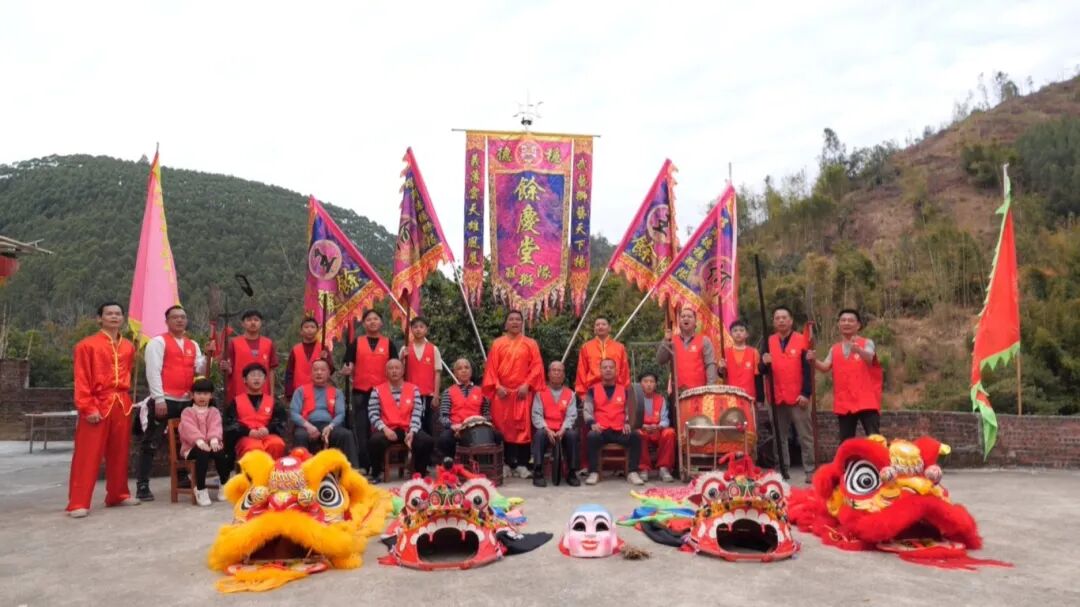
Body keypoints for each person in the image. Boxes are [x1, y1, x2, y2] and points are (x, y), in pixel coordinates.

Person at [67, 302, 141, 517]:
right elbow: (81, 379)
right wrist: (87, 406)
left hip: (122, 403)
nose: (114, 317)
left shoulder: (128, 346)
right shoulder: (86, 345)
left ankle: (118, 494)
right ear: (99, 318)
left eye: (118, 314)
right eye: (109, 314)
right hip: (97, 402)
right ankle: (78, 502)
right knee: (87, 454)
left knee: (120, 453)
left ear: (123, 318)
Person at [136, 304, 207, 501]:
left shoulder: (193, 344)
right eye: (175, 317)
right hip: (165, 399)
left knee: (184, 440)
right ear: (166, 321)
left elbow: (199, 370)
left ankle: (182, 477)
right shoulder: (158, 342)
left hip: (186, 400)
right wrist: (159, 398)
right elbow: (153, 372)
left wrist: (208, 357)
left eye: (183, 317)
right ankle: (142, 484)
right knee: (151, 441)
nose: (179, 320)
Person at [482, 310, 545, 479]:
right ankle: (506, 464)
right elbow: (491, 368)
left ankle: (522, 464)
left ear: (522, 323)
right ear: (506, 323)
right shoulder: (497, 344)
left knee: (523, 428)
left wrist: (527, 384)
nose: (515, 322)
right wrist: (497, 386)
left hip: (522, 394)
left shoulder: (531, 343)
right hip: (502, 394)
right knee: (502, 427)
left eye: (518, 319)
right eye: (511, 319)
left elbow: (537, 367)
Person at [342, 309, 400, 475]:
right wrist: (347, 369)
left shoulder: (388, 343)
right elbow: (348, 364)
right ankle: (364, 465)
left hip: (383, 393)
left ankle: (379, 465)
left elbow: (395, 366)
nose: (372, 322)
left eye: (375, 319)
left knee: (381, 429)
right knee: (362, 429)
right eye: (368, 319)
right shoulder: (356, 343)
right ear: (364, 323)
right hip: (361, 391)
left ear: (381, 322)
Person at [811, 309, 883, 442]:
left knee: (875, 440)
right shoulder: (834, 348)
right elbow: (825, 367)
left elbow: (870, 358)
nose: (846, 323)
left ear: (858, 325)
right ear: (838, 324)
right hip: (845, 402)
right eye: (843, 320)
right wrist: (813, 360)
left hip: (866, 400)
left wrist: (859, 350)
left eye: (850, 320)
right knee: (846, 442)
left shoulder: (867, 343)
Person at [762, 306, 815, 482]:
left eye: (784, 317)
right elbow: (761, 370)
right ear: (773, 321)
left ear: (791, 320)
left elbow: (808, 369)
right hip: (776, 396)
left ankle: (810, 470)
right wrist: (764, 363)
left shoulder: (801, 340)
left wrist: (806, 393)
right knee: (779, 437)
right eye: (777, 318)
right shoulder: (768, 341)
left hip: (798, 397)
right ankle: (781, 470)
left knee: (805, 435)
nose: (781, 321)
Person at [368, 358, 435, 480]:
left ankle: (419, 474)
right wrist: (385, 429)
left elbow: (417, 413)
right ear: (386, 372)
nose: (394, 371)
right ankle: (376, 473)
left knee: (427, 441)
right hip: (388, 429)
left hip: (408, 428)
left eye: (397, 368)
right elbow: (373, 414)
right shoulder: (377, 390)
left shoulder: (413, 389)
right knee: (374, 441)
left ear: (403, 371)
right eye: (391, 368)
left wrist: (412, 431)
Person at [583, 359, 644, 486]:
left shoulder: (625, 390)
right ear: (600, 371)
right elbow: (587, 410)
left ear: (616, 371)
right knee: (592, 436)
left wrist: (628, 422)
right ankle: (594, 472)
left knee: (635, 436)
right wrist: (592, 423)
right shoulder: (592, 390)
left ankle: (632, 472)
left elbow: (629, 410)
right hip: (601, 430)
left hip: (620, 430)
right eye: (605, 367)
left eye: (611, 367)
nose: (608, 370)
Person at [290, 359, 359, 466]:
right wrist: (308, 426)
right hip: (307, 425)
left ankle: (352, 470)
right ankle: (299, 471)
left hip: (329, 425)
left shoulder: (337, 393)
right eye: (315, 370)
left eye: (322, 370)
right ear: (311, 373)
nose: (319, 373)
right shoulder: (300, 391)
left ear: (328, 373)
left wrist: (330, 426)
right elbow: (294, 413)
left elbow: (340, 414)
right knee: (300, 436)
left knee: (346, 435)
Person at [178, 377, 230, 506]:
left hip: (211, 445)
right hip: (192, 448)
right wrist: (199, 441)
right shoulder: (187, 412)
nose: (202, 397)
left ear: (211, 396)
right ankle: (200, 488)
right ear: (193, 395)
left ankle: (224, 484)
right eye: (199, 393)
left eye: (206, 393)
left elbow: (215, 426)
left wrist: (214, 439)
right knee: (202, 452)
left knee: (220, 451)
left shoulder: (214, 411)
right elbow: (188, 428)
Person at [531, 361, 581, 487]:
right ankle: (538, 472)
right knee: (539, 435)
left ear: (564, 375)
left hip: (563, 430)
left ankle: (572, 473)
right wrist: (547, 429)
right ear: (548, 374)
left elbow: (571, 415)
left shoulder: (570, 394)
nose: (557, 373)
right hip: (547, 429)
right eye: (554, 370)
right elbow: (536, 414)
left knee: (573, 435)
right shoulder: (540, 393)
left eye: (560, 371)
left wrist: (563, 430)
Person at [435, 358, 498, 460]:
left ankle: (487, 464)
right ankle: (450, 464)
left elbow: (487, 415)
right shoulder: (448, 392)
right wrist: (452, 426)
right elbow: (443, 416)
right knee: (444, 439)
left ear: (471, 371)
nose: (464, 370)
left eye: (466, 368)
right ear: (455, 373)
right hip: (456, 428)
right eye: (460, 368)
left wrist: (481, 422)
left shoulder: (481, 392)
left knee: (498, 436)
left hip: (477, 427)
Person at [222, 363, 287, 460]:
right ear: (245, 379)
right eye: (253, 375)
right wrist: (248, 432)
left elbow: (280, 421)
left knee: (277, 444)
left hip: (268, 435)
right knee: (254, 448)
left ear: (265, 380)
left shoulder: (273, 402)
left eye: (260, 375)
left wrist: (268, 429)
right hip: (245, 437)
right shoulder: (236, 401)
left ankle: (273, 469)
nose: (256, 378)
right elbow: (230, 423)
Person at [220, 309, 277, 405]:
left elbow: (271, 370)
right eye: (249, 320)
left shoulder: (268, 343)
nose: (253, 322)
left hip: (263, 393)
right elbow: (228, 369)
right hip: (239, 392)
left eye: (256, 320)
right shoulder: (234, 343)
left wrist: (271, 394)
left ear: (261, 323)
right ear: (243, 323)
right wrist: (226, 368)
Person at [657, 307, 719, 393]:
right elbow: (660, 360)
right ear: (679, 322)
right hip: (677, 393)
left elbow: (710, 365)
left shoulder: (704, 340)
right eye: (683, 316)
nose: (686, 318)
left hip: (699, 392)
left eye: (689, 316)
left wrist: (710, 388)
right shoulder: (671, 340)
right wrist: (665, 341)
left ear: (695, 322)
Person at [399, 316, 443, 436]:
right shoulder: (405, 348)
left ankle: (429, 446)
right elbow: (398, 372)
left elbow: (437, 373)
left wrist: (436, 394)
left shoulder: (434, 349)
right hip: (410, 394)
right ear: (411, 330)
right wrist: (402, 358)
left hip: (428, 394)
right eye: (415, 327)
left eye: (421, 327)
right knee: (412, 425)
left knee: (429, 424)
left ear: (426, 330)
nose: (418, 329)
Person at [574, 316, 629, 397]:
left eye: (603, 324)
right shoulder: (586, 347)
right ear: (594, 329)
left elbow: (624, 371)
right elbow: (581, 371)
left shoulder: (619, 347)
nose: (600, 326)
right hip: (592, 389)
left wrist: (624, 391)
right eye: (597, 325)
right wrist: (583, 394)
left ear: (609, 328)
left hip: (616, 389)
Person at [636, 372, 676, 482]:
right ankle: (643, 469)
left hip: (657, 430)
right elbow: (631, 419)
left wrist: (659, 426)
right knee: (638, 434)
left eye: (652, 382)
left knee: (670, 432)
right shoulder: (635, 398)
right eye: (645, 381)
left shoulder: (661, 399)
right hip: (642, 430)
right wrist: (641, 425)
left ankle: (664, 468)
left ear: (655, 384)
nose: (649, 384)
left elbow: (665, 420)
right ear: (640, 384)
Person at [284, 317, 330, 400]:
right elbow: (289, 373)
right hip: (299, 393)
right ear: (301, 331)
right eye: (306, 327)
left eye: (312, 327)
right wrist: (289, 394)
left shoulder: (323, 348)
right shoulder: (295, 350)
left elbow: (331, 370)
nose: (309, 330)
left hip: (319, 393)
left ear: (317, 330)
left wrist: (326, 360)